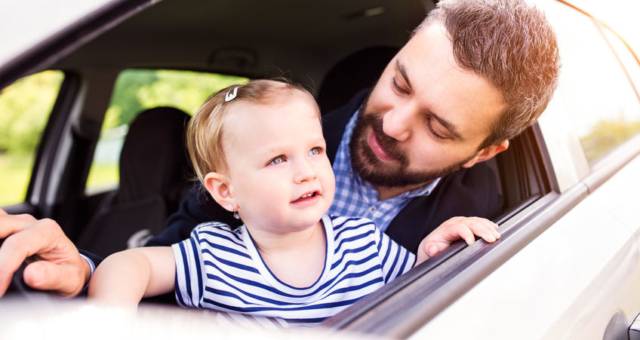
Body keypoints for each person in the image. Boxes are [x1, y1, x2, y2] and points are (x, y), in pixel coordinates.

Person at [0, 0, 560, 298]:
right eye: (399, 82)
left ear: (484, 152)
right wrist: (82, 274)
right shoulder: (253, 159)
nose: (391, 124)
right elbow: (171, 264)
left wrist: (430, 261)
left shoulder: (489, 217)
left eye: (438, 127)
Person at [86, 80, 500, 327]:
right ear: (226, 192)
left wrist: (431, 252)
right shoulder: (212, 255)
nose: (306, 171)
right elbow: (127, 266)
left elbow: (421, 284)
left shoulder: (363, 243)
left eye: (316, 151)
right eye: (278, 159)